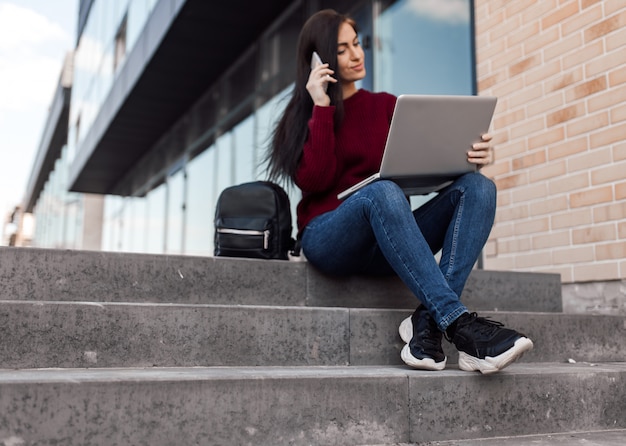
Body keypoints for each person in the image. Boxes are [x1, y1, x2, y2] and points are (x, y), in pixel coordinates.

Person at [267, 9, 533, 374]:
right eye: (342, 49)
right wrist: (322, 107)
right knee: (382, 191)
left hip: (390, 241)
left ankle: (426, 322)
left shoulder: (387, 107)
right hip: (328, 237)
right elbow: (315, 180)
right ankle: (458, 324)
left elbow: (426, 164)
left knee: (479, 188)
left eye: (357, 44)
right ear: (320, 59)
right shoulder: (307, 115)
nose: (357, 54)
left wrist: (471, 158)